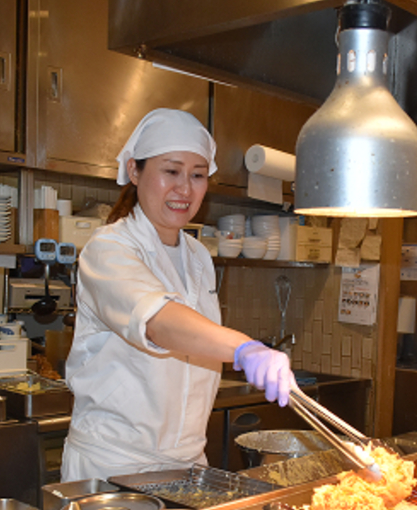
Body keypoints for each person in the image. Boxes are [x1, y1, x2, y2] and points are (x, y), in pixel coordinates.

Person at [60, 108, 297, 482]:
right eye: (171, 171)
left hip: (187, 462)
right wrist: (244, 348)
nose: (185, 189)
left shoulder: (197, 255)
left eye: (198, 175)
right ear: (135, 172)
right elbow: (157, 322)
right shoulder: (108, 248)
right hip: (114, 466)